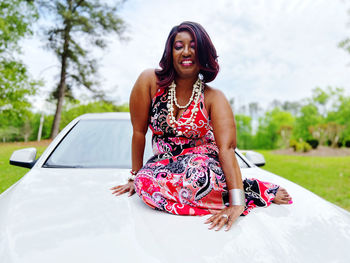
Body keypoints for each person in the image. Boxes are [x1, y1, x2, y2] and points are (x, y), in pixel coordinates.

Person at [111, 21, 292, 231]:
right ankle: (223, 194)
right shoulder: (149, 81)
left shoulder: (214, 97)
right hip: (164, 164)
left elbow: (227, 149)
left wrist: (236, 204)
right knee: (145, 182)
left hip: (203, 164)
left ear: (203, 53)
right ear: (170, 51)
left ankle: (247, 191)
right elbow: (139, 131)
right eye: (179, 46)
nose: (186, 52)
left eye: (193, 46)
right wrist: (135, 176)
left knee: (197, 175)